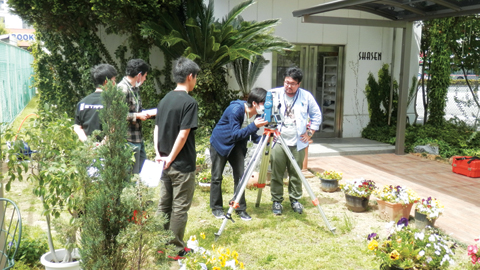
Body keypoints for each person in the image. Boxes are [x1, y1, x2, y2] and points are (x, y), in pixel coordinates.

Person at [154, 57, 200, 259]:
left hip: (163, 162)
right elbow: (183, 134)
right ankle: (175, 250)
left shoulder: (164, 100)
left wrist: (159, 154)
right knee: (180, 206)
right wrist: (172, 157)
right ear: (190, 76)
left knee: (164, 204)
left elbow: (156, 129)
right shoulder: (189, 103)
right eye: (196, 77)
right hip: (181, 164)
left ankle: (156, 243)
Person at [209, 87, 269, 221]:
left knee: (240, 177)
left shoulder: (256, 114)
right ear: (255, 103)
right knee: (217, 177)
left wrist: (266, 140)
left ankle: (239, 208)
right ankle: (216, 208)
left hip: (237, 145)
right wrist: (254, 126)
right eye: (264, 104)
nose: (266, 107)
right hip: (220, 143)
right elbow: (235, 134)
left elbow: (251, 133)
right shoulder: (235, 110)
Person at [269, 67, 322, 215]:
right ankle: (277, 201)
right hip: (279, 140)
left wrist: (310, 132)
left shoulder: (306, 96)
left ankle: (295, 199)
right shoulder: (274, 93)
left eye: (292, 83)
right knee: (276, 172)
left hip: (297, 141)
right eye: (286, 82)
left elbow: (316, 115)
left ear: (299, 84)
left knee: (296, 173)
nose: (288, 86)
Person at [117, 59, 153, 174]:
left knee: (141, 173)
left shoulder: (135, 89)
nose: (145, 79)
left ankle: (139, 192)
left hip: (137, 137)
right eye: (145, 76)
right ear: (139, 75)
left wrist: (149, 113)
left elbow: (137, 110)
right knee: (131, 175)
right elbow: (116, 114)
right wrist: (137, 116)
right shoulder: (121, 89)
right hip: (127, 140)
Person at [74, 64, 118, 142]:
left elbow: (77, 127)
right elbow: (112, 128)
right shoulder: (112, 102)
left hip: (87, 151)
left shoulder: (82, 103)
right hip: (107, 150)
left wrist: (88, 144)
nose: (115, 84)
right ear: (106, 82)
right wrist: (101, 146)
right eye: (114, 81)